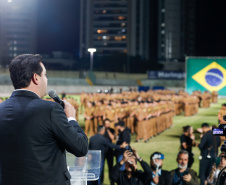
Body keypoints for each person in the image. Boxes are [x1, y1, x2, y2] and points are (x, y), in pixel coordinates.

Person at [0, 54, 88, 185]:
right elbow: (80, 147)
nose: (46, 79)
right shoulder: (50, 110)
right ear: (36, 77)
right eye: (45, 75)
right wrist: (71, 118)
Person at [103, 119, 116, 185]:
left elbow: (113, 138)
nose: (107, 125)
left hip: (110, 152)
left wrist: (108, 131)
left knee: (111, 168)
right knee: (102, 168)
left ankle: (112, 182)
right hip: (103, 152)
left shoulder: (112, 130)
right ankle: (101, 182)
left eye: (108, 124)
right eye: (106, 124)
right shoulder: (102, 130)